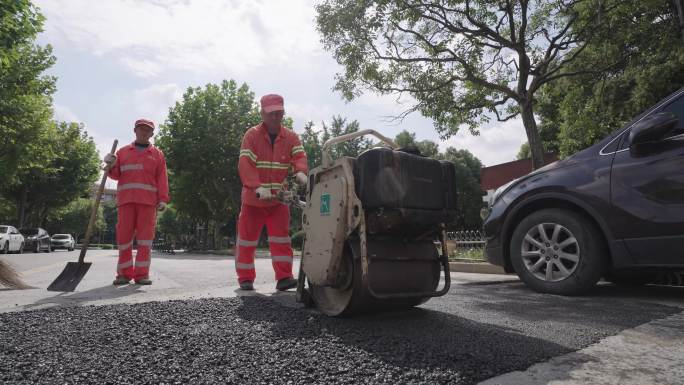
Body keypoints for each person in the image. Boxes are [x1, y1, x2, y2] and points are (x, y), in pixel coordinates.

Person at [236, 94, 308, 291]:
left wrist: (301, 173)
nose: (276, 117)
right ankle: (245, 278)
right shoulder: (252, 136)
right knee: (247, 240)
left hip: (278, 200)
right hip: (254, 200)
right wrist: (257, 186)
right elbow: (245, 164)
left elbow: (299, 157)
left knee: (281, 240)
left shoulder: (291, 137)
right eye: (271, 113)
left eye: (279, 113)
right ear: (262, 113)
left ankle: (284, 277)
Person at [103, 118, 170, 285]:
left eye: (147, 130)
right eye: (141, 129)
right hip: (126, 201)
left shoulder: (157, 155)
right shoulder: (122, 152)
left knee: (145, 239)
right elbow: (115, 175)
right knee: (124, 238)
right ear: (135, 131)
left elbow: (162, 179)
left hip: (148, 203)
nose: (143, 132)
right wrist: (110, 164)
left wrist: (163, 199)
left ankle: (141, 275)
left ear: (152, 134)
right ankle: (124, 275)